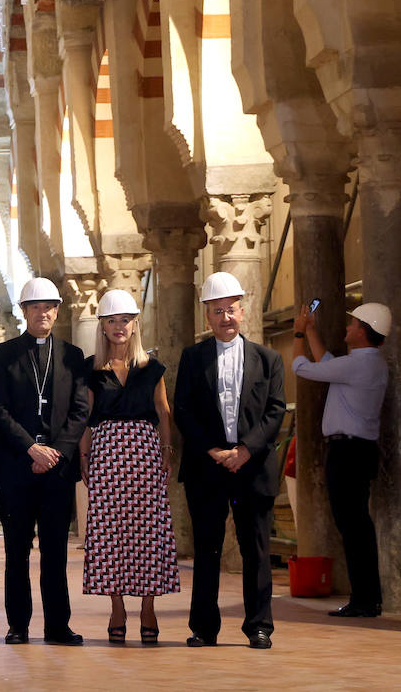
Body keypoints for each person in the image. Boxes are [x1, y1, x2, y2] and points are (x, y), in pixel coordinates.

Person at [173, 271, 286, 650]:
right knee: (208, 549)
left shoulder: (269, 359)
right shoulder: (192, 358)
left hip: (252, 467)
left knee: (256, 548)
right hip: (208, 469)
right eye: (217, 311)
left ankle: (259, 626)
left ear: (243, 311)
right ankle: (204, 628)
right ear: (207, 315)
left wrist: (245, 450)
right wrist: (212, 449)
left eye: (231, 310)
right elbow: (183, 410)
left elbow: (275, 411)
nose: (225, 318)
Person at [0, 277, 92, 646]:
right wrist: (32, 448)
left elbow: (80, 412)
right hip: (16, 466)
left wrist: (56, 452)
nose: (42, 312)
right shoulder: (4, 354)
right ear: (24, 311)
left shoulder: (73, 356)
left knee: (55, 552)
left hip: (57, 470)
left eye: (49, 307)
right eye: (35, 307)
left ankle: (57, 626)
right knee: (16, 552)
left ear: (57, 311)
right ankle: (18, 625)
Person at [79, 289, 181, 645]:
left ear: (135, 325)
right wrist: (84, 458)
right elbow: (87, 419)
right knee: (108, 533)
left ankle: (149, 607)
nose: (119, 327)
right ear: (103, 327)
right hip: (107, 455)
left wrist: (166, 452)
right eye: (112, 321)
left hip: (145, 454)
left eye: (125, 320)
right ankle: (117, 607)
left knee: (149, 533)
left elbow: (164, 411)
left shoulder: (151, 368)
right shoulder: (92, 369)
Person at [292, 301, 392, 619]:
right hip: (358, 451)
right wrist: (311, 331)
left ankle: (364, 599)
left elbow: (302, 367)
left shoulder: (357, 365)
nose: (346, 329)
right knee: (357, 526)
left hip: (347, 453)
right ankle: (366, 597)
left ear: (362, 331)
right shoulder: (366, 363)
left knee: (353, 528)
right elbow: (328, 361)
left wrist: (298, 333)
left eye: (351, 325)